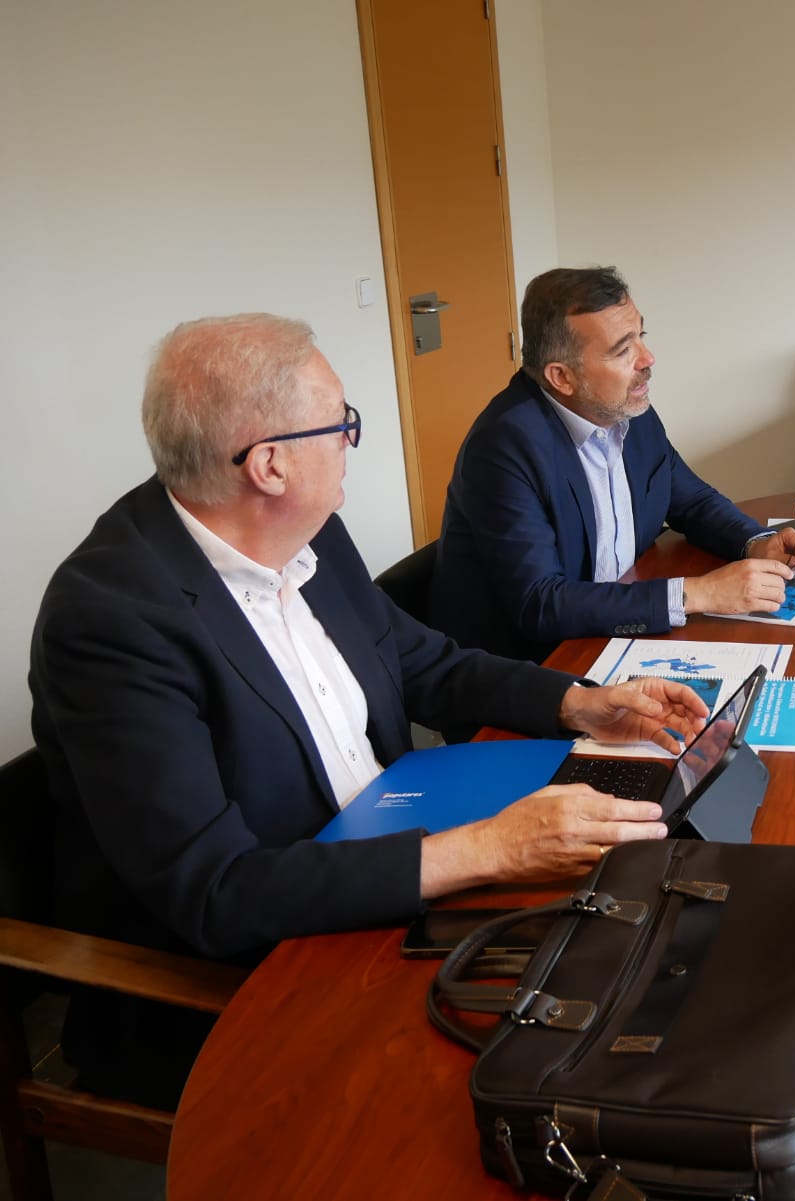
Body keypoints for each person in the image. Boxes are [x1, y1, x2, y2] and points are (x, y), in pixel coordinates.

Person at [29, 313, 710, 1106]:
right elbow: (217, 893)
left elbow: (422, 660)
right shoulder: (113, 619)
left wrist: (581, 703)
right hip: (268, 968)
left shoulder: (309, 533)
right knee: (582, 1067)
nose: (353, 440)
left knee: (657, 942)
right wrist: (488, 848)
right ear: (270, 466)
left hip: (394, 867)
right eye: (342, 423)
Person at [429, 266, 795, 663]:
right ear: (561, 377)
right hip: (534, 668)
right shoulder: (504, 446)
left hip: (618, 632)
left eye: (641, 337)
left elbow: (691, 500)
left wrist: (755, 543)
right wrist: (701, 593)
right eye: (622, 350)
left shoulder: (627, 411)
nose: (647, 359)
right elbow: (540, 603)